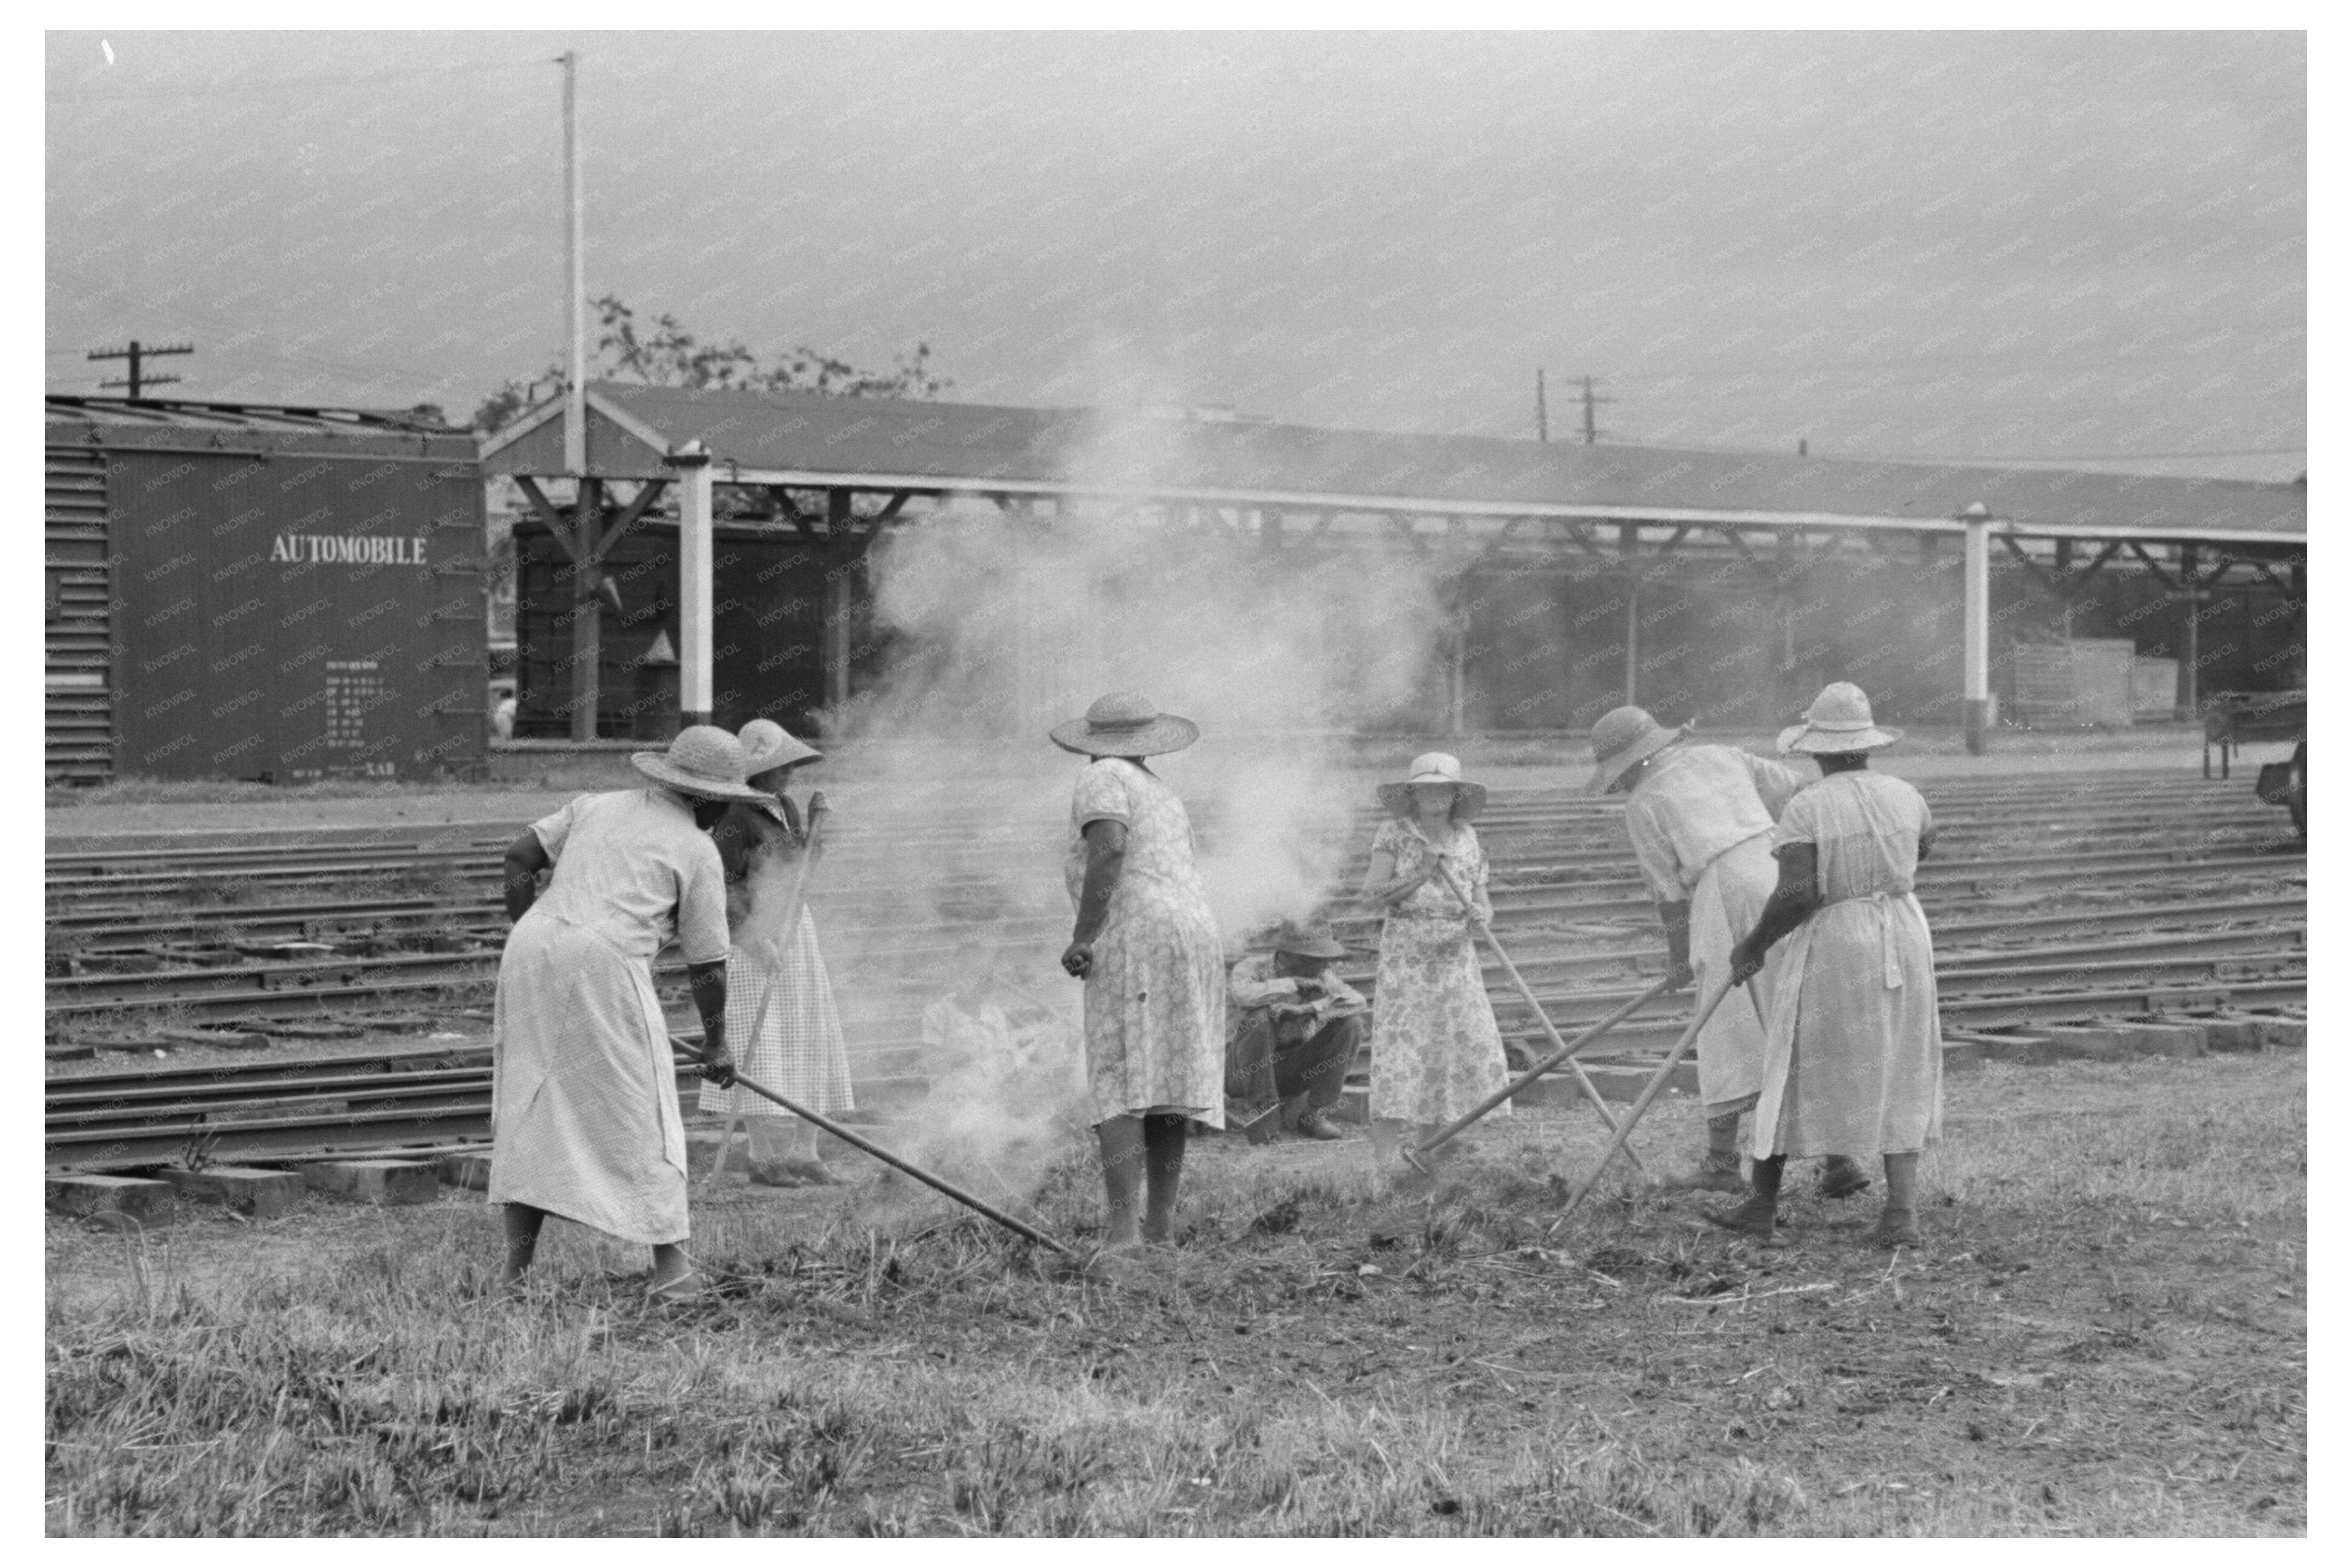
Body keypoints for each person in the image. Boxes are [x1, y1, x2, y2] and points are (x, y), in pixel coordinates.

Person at [489, 725, 761, 1298]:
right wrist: (717, 1044)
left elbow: (519, 858)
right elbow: (707, 963)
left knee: (530, 1103)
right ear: (708, 799)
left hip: (531, 947)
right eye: (728, 802)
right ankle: (674, 1273)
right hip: (604, 962)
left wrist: (533, 929)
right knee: (648, 1107)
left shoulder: (596, 806)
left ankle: (515, 1278)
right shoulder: (695, 847)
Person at [1587, 707, 1870, 1201]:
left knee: (1726, 1021)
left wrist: (1679, 958)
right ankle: (1839, 1157)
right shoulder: (1722, 756)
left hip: (1724, 892)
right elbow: (1800, 794)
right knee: (1798, 1006)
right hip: (1783, 873)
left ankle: (1721, 1162)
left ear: (1630, 763)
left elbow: (1669, 894)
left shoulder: (1644, 803)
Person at [1720, 683, 1944, 1248]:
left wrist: (1752, 946)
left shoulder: (1808, 806)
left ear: (1816, 750)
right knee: (1901, 1057)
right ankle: (1900, 1213)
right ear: (1866, 745)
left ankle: (1760, 1206)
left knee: (1791, 1059)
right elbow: (1925, 847)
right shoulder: (1904, 793)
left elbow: (1797, 894)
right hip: (1903, 931)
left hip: (1839, 941)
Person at [1054, 693, 1228, 1251]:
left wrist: (1084, 936)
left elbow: (1108, 852)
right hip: (1191, 932)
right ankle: (1161, 1228)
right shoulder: (1159, 789)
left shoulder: (1102, 776)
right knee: (1165, 1083)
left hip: (1138, 934)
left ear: (1090, 744)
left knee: (1123, 1081)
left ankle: (1125, 1232)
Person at [696, 718, 856, 1186]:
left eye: (791, 764)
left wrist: (816, 835)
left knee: (809, 1032)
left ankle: (805, 1152)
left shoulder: (783, 805)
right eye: (781, 765)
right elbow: (721, 888)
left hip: (795, 927)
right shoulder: (733, 815)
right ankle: (763, 1157)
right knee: (757, 1045)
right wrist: (752, 938)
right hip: (753, 936)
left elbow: (797, 869)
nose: (790, 773)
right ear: (757, 770)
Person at [1360, 753, 1513, 1168]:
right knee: (1401, 1052)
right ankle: (1387, 1160)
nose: (1434, 796)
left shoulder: (1467, 837)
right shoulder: (1394, 833)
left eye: (1442, 788)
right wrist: (1422, 872)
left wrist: (1482, 915)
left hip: (1455, 958)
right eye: (1425, 788)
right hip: (1406, 957)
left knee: (1448, 1049)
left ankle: (1428, 1150)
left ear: (1454, 795)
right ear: (1412, 793)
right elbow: (1371, 896)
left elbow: (1484, 901)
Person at [1224, 918, 1367, 1143]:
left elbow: (1357, 1001)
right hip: (1240, 1073)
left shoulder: (1322, 976)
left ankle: (1314, 1114)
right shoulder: (1251, 967)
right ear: (1286, 955)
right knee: (1260, 1019)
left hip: (1290, 1071)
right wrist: (1292, 983)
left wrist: (1307, 1009)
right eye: (1315, 959)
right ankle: (1263, 1119)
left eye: (1324, 959)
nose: (1324, 966)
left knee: (1352, 1024)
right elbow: (1244, 996)